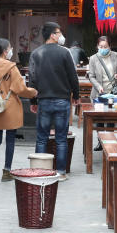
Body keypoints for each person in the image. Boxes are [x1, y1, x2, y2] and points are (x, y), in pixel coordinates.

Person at [0, 38, 37, 183]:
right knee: (10, 140)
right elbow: (20, 89)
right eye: (10, 48)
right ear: (6, 51)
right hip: (10, 106)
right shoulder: (12, 67)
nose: (11, 50)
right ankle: (6, 171)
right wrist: (33, 92)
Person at [29, 22, 79, 179]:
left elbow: (32, 80)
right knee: (61, 139)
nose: (61, 36)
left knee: (42, 137)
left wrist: (33, 102)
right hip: (62, 101)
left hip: (43, 100)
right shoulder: (64, 53)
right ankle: (61, 172)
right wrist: (76, 96)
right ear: (52, 35)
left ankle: (40, 171)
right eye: (59, 33)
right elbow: (73, 77)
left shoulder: (36, 54)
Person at [87, 36, 117, 149]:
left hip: (113, 91)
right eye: (100, 46)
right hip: (99, 93)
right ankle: (100, 141)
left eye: (105, 46)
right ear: (97, 46)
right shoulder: (93, 58)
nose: (103, 48)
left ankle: (110, 140)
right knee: (100, 118)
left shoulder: (115, 55)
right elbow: (91, 76)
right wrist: (98, 86)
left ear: (110, 46)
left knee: (111, 117)